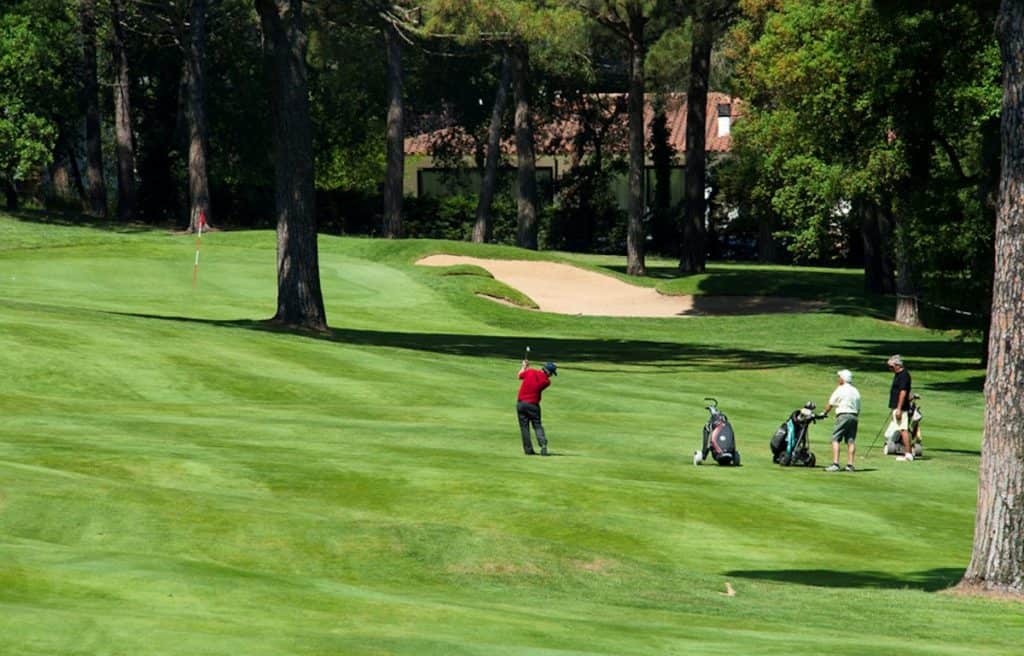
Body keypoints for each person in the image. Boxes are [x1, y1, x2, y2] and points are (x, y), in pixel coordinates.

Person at [821, 369, 861, 472]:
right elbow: (858, 407)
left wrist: (824, 413)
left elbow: (831, 403)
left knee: (835, 439)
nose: (838, 379)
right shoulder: (855, 390)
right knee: (851, 441)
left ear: (843, 379)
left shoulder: (840, 389)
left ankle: (835, 464)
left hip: (843, 415)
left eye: (839, 377)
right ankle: (850, 465)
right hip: (854, 416)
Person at [517, 359, 557, 456]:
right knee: (537, 425)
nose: (551, 375)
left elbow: (519, 376)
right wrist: (526, 368)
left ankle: (528, 450)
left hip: (521, 403)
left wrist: (524, 366)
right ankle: (543, 444)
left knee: (524, 428)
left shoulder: (530, 372)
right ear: (548, 372)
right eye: (551, 373)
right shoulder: (547, 381)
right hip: (533, 405)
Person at [887, 354, 914, 461]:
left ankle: (908, 454)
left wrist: (898, 408)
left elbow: (903, 392)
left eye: (891, 367)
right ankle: (906, 452)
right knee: (900, 429)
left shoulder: (904, 375)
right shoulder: (898, 374)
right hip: (897, 407)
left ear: (898, 365)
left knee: (903, 429)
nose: (890, 369)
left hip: (901, 408)